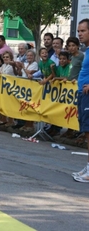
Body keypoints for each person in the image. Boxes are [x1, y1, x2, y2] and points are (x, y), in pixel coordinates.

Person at [72, 18, 89, 183]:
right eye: (78, 31)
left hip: (88, 95)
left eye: (83, 31)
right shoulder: (87, 50)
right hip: (82, 94)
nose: (80, 34)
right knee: (86, 131)